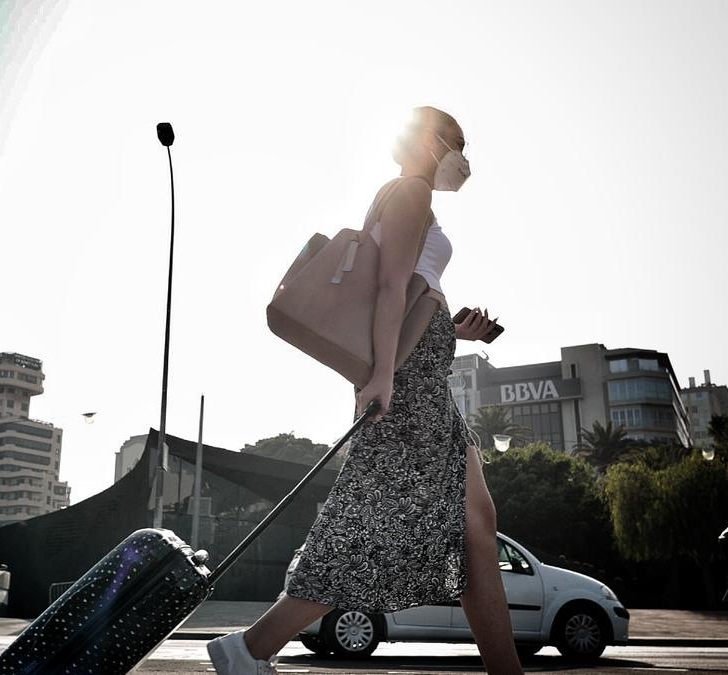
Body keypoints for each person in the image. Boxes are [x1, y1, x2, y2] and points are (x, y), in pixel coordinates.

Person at [207, 106, 523, 674]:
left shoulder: (403, 195)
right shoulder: (412, 192)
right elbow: (389, 285)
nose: (463, 157)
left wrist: (452, 328)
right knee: (376, 527)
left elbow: (409, 295)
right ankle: (250, 647)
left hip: (422, 375)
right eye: (458, 142)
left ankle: (507, 672)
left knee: (478, 527)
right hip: (409, 382)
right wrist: (380, 377)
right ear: (429, 140)